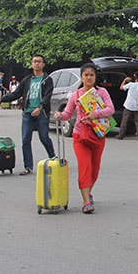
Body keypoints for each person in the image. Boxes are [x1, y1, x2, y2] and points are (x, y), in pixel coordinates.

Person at [54, 63, 114, 213]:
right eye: (86, 75)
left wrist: (95, 114)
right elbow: (67, 114)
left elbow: (110, 109)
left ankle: (88, 191)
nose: (88, 77)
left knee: (94, 170)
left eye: (91, 75)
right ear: (81, 77)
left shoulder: (102, 92)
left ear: (95, 77)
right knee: (85, 167)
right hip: (80, 136)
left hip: (98, 134)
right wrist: (59, 116)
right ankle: (86, 202)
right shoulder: (76, 95)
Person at [0, 54, 56, 175]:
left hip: (41, 112)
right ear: (32, 64)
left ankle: (53, 158)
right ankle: (28, 166)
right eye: (35, 61)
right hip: (27, 113)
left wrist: (40, 107)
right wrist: (2, 99)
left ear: (43, 64)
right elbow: (17, 94)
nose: (37, 64)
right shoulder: (27, 80)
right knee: (25, 139)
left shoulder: (47, 80)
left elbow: (47, 96)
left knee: (44, 137)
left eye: (39, 62)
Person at [116, 72, 138, 141]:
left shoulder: (131, 85)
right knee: (137, 122)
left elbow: (121, 88)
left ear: (136, 79)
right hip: (137, 107)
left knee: (124, 121)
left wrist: (125, 80)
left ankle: (121, 135)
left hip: (128, 105)